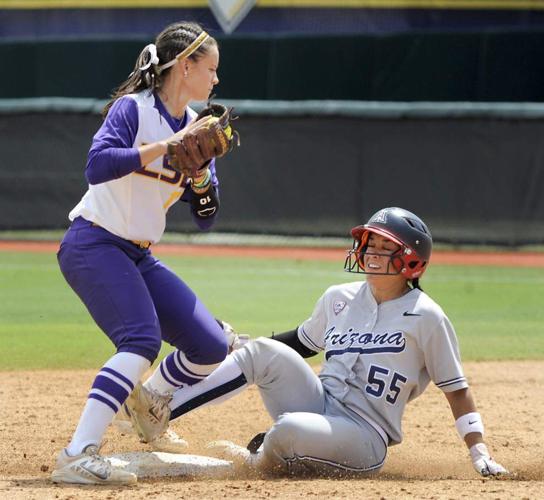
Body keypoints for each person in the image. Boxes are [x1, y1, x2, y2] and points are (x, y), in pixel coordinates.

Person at [130, 207, 509, 478]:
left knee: (289, 430)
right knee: (264, 353)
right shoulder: (338, 297)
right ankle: (161, 415)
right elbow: (302, 343)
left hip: (364, 434)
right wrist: (244, 349)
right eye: (369, 243)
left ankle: (254, 464)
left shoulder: (427, 316)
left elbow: (456, 390)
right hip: (320, 403)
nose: (370, 252)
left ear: (411, 260)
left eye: (383, 246)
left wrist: (479, 454)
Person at [51, 21, 232, 485]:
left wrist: (200, 181)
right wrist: (161, 148)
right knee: (140, 340)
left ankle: (149, 403)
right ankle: (77, 453)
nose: (215, 79)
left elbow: (206, 216)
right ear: (184, 66)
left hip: (138, 253)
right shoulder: (133, 110)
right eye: (209, 69)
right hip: (93, 242)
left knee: (210, 345)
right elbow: (96, 166)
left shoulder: (198, 129)